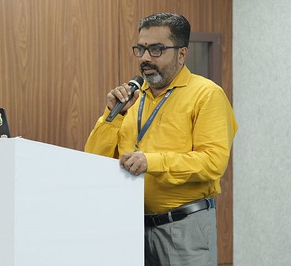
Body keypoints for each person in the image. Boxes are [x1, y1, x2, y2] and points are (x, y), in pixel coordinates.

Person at [85, 13, 237, 266]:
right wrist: (112, 117)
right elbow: (94, 158)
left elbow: (212, 162)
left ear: (181, 54)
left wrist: (151, 162)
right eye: (141, 49)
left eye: (156, 50)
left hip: (183, 228)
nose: (145, 58)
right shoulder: (132, 98)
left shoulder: (207, 95)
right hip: (130, 226)